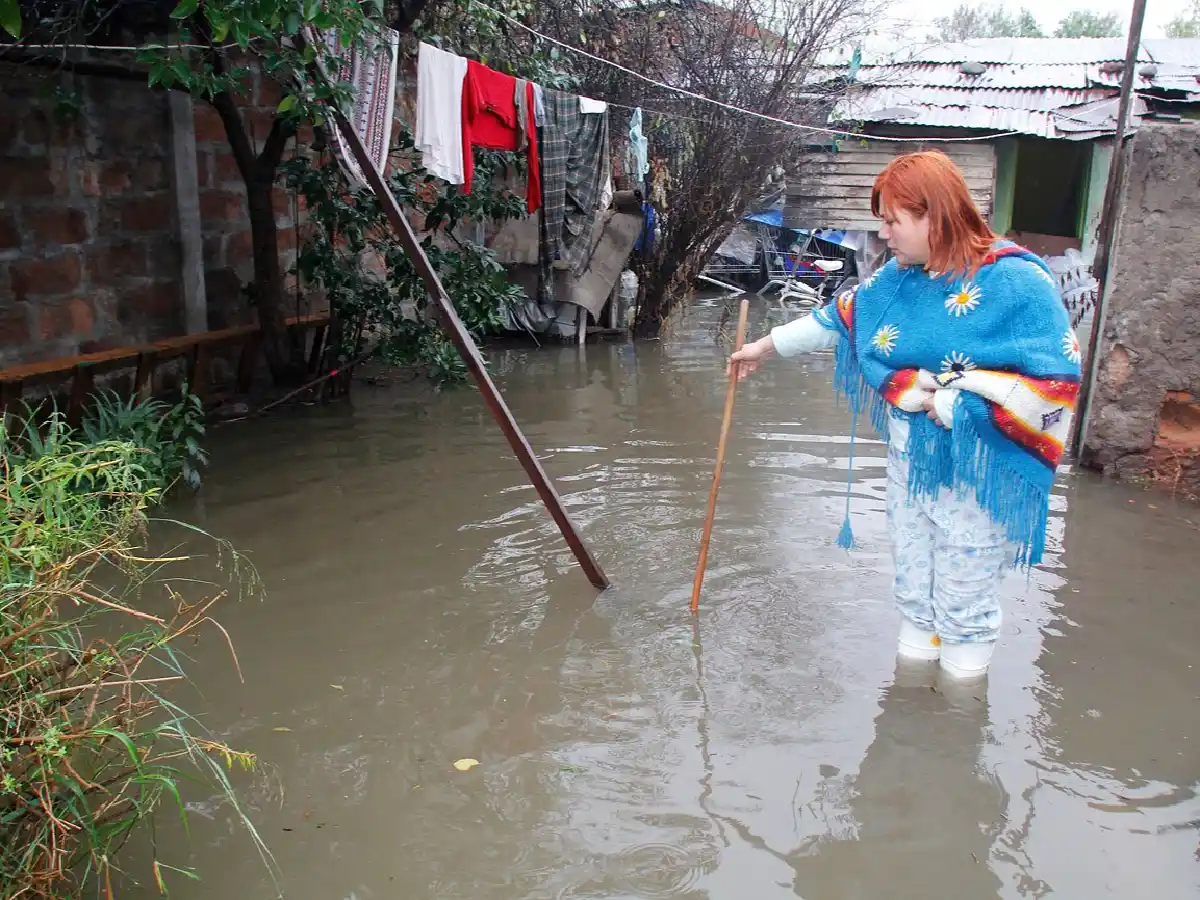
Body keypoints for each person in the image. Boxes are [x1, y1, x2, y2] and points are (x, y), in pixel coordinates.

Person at [729, 151, 1081, 679]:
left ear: (934, 217)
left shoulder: (1017, 284)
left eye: (894, 221)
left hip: (977, 472)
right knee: (914, 585)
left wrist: (959, 402)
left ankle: (958, 721)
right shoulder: (899, 279)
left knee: (964, 597)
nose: (885, 235)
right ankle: (908, 711)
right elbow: (839, 318)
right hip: (909, 465)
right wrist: (765, 346)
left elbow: (1055, 382)